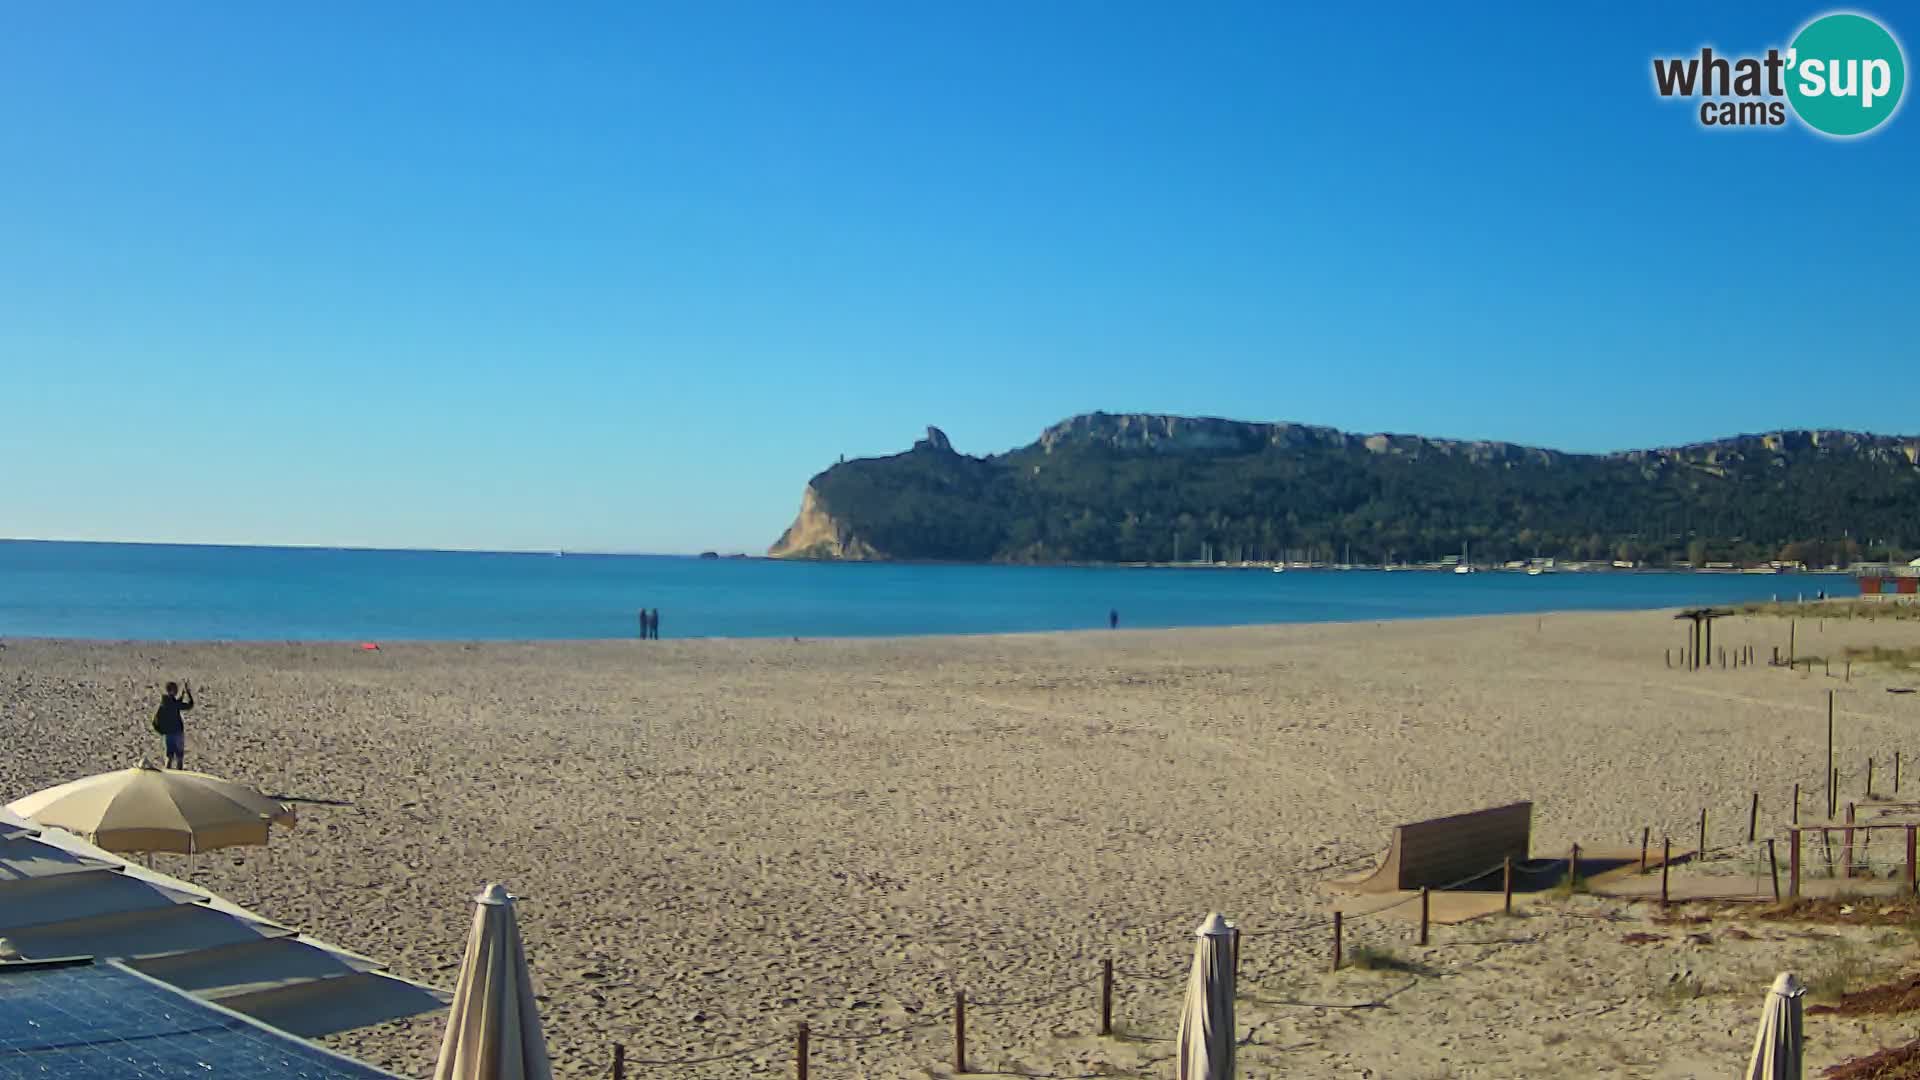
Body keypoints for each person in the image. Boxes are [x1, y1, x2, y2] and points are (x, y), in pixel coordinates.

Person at [153, 681, 193, 769]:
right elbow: (189, 705)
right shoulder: (173, 704)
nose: (176, 691)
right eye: (175, 689)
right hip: (177, 732)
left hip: (168, 734)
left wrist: (182, 696)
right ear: (172, 690)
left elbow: (175, 705)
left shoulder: (164, 703)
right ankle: (179, 777)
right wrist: (189, 693)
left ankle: (168, 775)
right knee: (179, 757)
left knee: (169, 757)